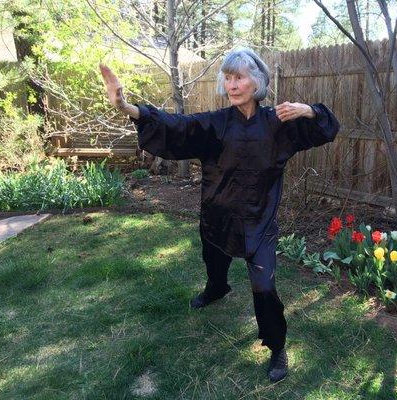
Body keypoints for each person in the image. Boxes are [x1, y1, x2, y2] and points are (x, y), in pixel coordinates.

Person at [100, 47, 340, 382]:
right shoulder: (214, 124)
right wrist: (127, 107)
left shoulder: (278, 124)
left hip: (259, 221)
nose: (232, 84)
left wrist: (309, 111)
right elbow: (175, 125)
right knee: (214, 261)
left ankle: (276, 345)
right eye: (227, 78)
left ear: (256, 81)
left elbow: (327, 128)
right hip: (217, 216)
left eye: (239, 77)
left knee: (264, 288)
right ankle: (217, 288)